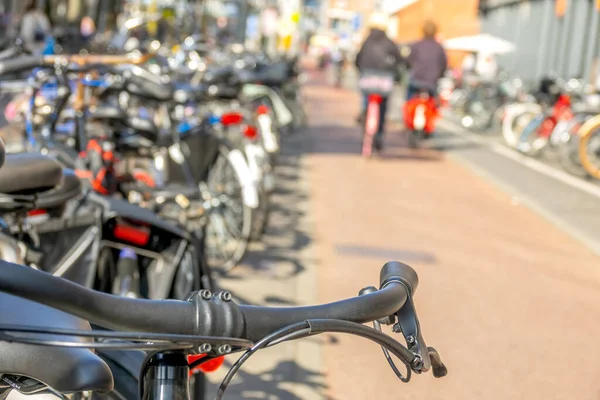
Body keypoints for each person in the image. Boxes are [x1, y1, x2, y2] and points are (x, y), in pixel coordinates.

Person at [354, 12, 403, 147]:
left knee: (366, 98)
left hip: (367, 77)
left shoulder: (367, 40)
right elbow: (399, 59)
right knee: (383, 107)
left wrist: (360, 69)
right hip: (384, 80)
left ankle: (364, 114)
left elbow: (358, 59)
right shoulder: (389, 42)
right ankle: (379, 134)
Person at [405, 20, 448, 102]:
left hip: (416, 81)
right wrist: (440, 75)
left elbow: (408, 61)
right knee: (434, 104)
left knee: (409, 102)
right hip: (431, 82)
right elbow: (444, 65)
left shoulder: (417, 45)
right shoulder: (439, 48)